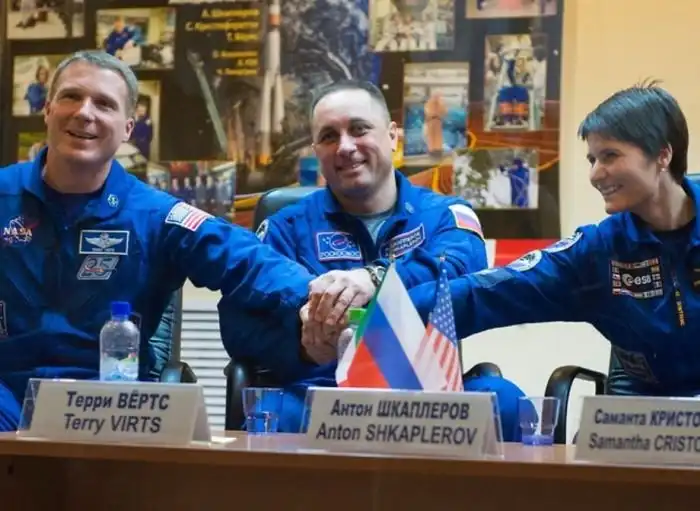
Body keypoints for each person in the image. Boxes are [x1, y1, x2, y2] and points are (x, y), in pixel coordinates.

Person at [0, 50, 316, 432]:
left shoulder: (154, 215)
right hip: (6, 394)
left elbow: (244, 259)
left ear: (128, 128)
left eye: (104, 104)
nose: (84, 112)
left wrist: (322, 296)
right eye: (71, 96)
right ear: (48, 109)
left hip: (102, 405)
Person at [225, 80, 526, 438]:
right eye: (329, 136)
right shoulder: (285, 227)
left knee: (507, 403)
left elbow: (463, 268)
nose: (345, 147)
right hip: (321, 394)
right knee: (268, 417)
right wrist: (302, 347)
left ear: (393, 136)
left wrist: (376, 279)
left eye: (359, 129)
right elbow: (238, 324)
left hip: (428, 396)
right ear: (317, 151)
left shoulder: (445, 215)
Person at [404, 81, 700, 399]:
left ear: (662, 154)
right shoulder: (598, 252)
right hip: (650, 417)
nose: (595, 174)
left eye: (610, 156)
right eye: (592, 160)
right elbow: (490, 292)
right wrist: (387, 310)